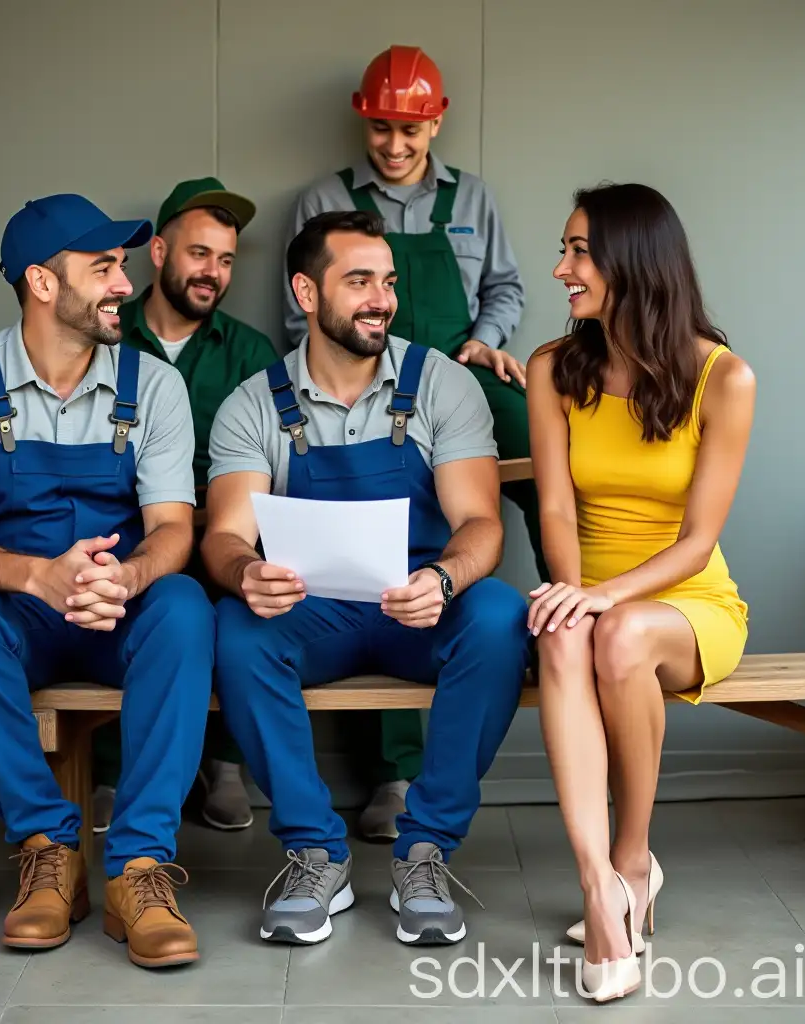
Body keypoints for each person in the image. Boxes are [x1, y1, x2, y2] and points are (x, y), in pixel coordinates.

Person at [202, 210, 531, 946]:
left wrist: (444, 582)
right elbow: (224, 535)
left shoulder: (441, 384)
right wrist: (247, 572)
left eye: (386, 281)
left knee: (500, 616)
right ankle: (315, 852)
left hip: (416, 607)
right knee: (234, 626)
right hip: (311, 615)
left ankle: (426, 851)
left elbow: (481, 523)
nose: (381, 298)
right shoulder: (255, 402)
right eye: (358, 281)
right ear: (306, 293)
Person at [0, 193, 216, 968]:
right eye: (103, 267)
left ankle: (139, 869)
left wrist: (134, 574)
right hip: (22, 614)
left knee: (183, 604)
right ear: (43, 284)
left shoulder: (154, 386)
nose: (124, 284)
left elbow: (176, 527)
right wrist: (37, 576)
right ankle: (49, 851)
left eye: (122, 266)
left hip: (122, 608)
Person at [283, 46, 547, 836]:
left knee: (544, 454)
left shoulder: (475, 198)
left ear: (435, 122)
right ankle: (393, 776)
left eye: (410, 130)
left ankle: (581, 616)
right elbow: (303, 316)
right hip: (363, 384)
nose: (395, 146)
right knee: (375, 546)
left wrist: (487, 342)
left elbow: (504, 288)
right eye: (381, 130)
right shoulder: (325, 199)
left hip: (454, 376)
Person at [525, 183, 754, 1002]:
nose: (561, 270)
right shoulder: (554, 368)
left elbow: (697, 543)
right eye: (566, 250)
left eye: (579, 251)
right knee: (559, 632)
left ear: (634, 260)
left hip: (687, 602)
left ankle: (634, 859)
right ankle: (599, 890)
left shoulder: (723, 379)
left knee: (616, 634)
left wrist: (604, 600)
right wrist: (572, 592)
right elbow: (553, 505)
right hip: (592, 590)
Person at [91, 177, 277, 835]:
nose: (214, 273)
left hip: (225, 533)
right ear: (161, 253)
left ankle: (224, 764)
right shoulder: (107, 334)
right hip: (131, 533)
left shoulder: (252, 352)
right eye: (201, 255)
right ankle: (112, 770)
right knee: (122, 605)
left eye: (226, 261)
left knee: (238, 600)